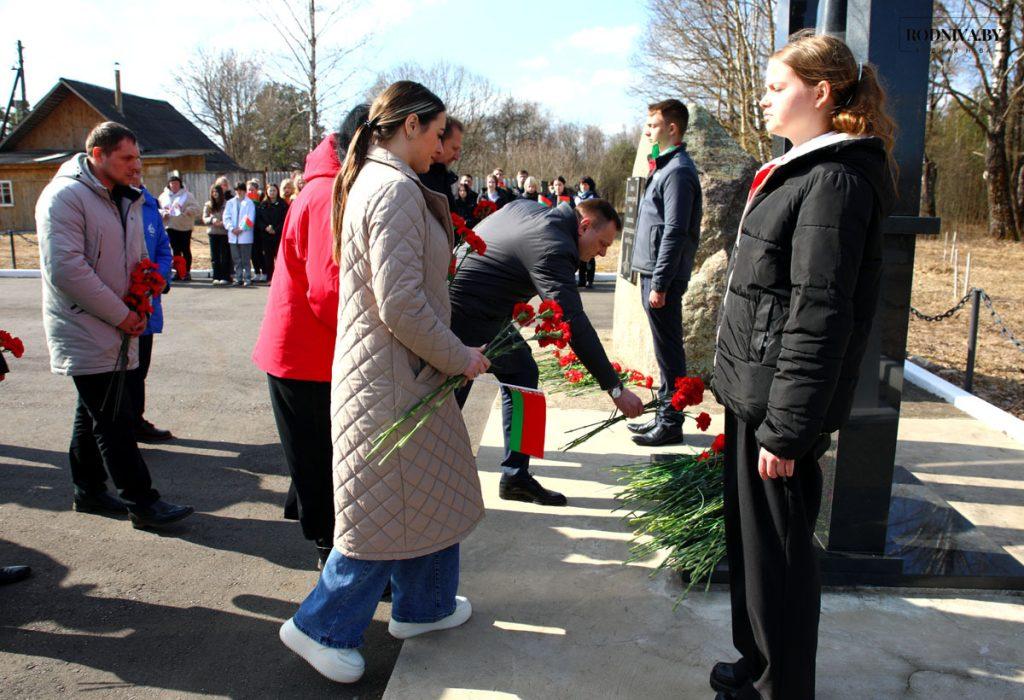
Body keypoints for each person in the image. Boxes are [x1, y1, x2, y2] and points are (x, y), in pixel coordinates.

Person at [277, 82, 490, 684]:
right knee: (380, 514)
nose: (443, 144)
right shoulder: (392, 188)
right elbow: (401, 304)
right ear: (411, 126)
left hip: (398, 375)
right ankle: (319, 627)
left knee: (430, 492)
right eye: (438, 129)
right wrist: (460, 357)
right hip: (391, 379)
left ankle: (425, 607)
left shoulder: (380, 179)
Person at [710, 30, 896, 700]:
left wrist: (788, 428)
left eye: (776, 87)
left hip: (776, 412)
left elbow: (820, 315)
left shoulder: (836, 181)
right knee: (755, 556)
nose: (764, 99)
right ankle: (756, 663)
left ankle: (778, 686)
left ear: (820, 93)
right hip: (753, 395)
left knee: (780, 565)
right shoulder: (802, 169)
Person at [35, 121, 194, 529]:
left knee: (93, 413)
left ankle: (87, 490)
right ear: (97, 156)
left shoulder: (125, 197)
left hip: (118, 323)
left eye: (138, 157)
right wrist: (122, 313)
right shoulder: (65, 198)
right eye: (127, 158)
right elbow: (68, 271)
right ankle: (142, 502)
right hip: (86, 325)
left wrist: (143, 296)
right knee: (115, 419)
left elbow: (139, 255)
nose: (136, 166)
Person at [450, 198, 645, 506]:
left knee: (523, 371)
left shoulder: (531, 210)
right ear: (583, 226)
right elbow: (574, 323)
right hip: (465, 314)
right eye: (603, 243)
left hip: (482, 308)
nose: (604, 253)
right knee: (447, 402)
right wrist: (616, 389)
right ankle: (419, 479)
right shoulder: (554, 244)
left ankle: (516, 477)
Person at [253, 103, 369, 568]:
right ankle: (331, 554)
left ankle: (307, 508)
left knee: (316, 450)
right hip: (306, 354)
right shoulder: (328, 196)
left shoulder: (332, 186)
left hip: (310, 350)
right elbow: (329, 292)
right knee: (323, 460)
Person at [628, 99, 703, 447]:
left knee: (669, 352)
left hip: (663, 279)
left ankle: (671, 422)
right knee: (663, 351)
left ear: (672, 129)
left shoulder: (679, 171)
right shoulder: (665, 167)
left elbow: (674, 230)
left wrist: (659, 282)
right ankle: (663, 414)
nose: (647, 131)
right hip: (652, 273)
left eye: (653, 125)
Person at [129, 172, 174, 442]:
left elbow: (163, 250)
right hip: (118, 304)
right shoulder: (111, 204)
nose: (135, 171)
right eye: (128, 162)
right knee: (119, 370)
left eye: (138, 165)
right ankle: (121, 425)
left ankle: (136, 419)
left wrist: (158, 280)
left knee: (140, 366)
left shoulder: (149, 206)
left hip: (147, 301)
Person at [158, 172, 201, 281]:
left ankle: (186, 272)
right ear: (169, 185)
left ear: (180, 184)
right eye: (172, 184)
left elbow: (197, 209)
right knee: (175, 250)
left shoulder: (187, 195)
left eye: (176, 184)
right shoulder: (163, 196)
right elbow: (158, 209)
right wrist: (163, 212)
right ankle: (178, 271)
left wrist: (188, 210)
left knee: (185, 249)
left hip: (185, 227)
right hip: (170, 226)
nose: (174, 186)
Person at [419, 116, 463, 209]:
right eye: (454, 149)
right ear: (438, 141)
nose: (457, 157)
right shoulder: (419, 180)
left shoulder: (443, 178)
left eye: (459, 151)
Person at [224, 182, 256, 287]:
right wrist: (231, 228)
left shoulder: (249, 203)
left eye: (241, 190)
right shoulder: (230, 202)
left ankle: (247, 278)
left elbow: (250, 218)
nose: (239, 192)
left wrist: (241, 229)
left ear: (244, 191)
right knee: (236, 258)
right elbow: (226, 217)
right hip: (233, 234)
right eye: (237, 190)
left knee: (245, 258)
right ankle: (238, 278)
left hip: (245, 234)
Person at [256, 183, 288, 283]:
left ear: (277, 191)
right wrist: (266, 228)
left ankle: (281, 278)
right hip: (266, 236)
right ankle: (271, 278)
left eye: (274, 190)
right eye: (270, 190)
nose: (272, 192)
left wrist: (276, 229)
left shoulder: (283, 204)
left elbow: (285, 220)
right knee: (268, 258)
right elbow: (258, 220)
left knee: (279, 258)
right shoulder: (263, 205)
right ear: (267, 192)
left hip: (278, 236)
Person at [203, 184, 233, 285]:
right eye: (213, 192)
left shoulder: (227, 204)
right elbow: (204, 217)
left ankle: (225, 276)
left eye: (216, 192)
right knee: (214, 256)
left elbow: (230, 216)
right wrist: (212, 219)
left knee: (224, 256)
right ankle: (216, 276)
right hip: (213, 233)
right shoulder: (208, 205)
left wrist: (223, 222)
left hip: (224, 233)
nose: (215, 194)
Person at [575, 177, 598, 288]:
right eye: (581, 184)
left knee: (590, 255)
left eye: (585, 184)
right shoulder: (576, 198)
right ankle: (581, 280)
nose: (583, 186)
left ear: (590, 186)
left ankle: (590, 280)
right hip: (579, 228)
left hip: (591, 228)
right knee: (581, 255)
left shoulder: (594, 197)